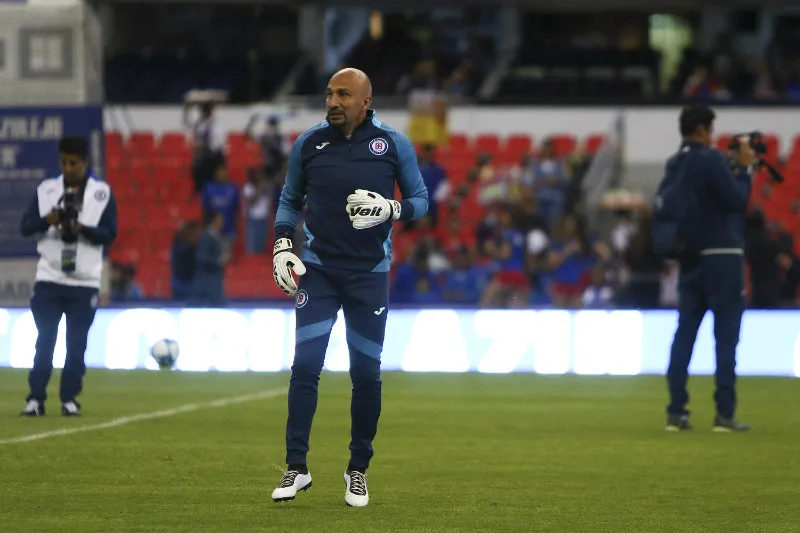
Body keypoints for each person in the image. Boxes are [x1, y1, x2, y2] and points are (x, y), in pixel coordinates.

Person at [270, 68, 428, 507]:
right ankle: (296, 468)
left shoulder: (393, 145)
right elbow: (289, 199)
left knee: (366, 375)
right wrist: (283, 244)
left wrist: (392, 208)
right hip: (318, 271)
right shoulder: (309, 143)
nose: (333, 101)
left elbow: (421, 200)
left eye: (343, 94)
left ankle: (357, 470)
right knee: (305, 368)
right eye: (329, 94)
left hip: (368, 275)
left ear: (365, 101)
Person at [664, 104, 756, 432]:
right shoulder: (710, 159)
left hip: (690, 257)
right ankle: (724, 415)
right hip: (723, 256)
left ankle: (676, 411)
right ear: (703, 129)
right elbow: (735, 200)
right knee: (726, 337)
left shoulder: (675, 163)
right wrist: (745, 169)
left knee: (684, 334)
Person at [18, 137, 117, 417]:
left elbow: (110, 234)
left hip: (84, 281)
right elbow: (26, 227)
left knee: (76, 346)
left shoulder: (102, 193)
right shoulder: (47, 190)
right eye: (64, 162)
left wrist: (81, 227)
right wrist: (47, 220)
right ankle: (35, 399)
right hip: (49, 278)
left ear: (85, 161)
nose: (68, 167)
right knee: (45, 341)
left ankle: (69, 399)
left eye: (73, 162)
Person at [188, 212, 229, 307]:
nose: (222, 222)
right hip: (207, 280)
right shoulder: (206, 237)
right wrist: (219, 261)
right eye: (220, 220)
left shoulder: (217, 236)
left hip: (214, 278)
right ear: (213, 221)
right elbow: (202, 258)